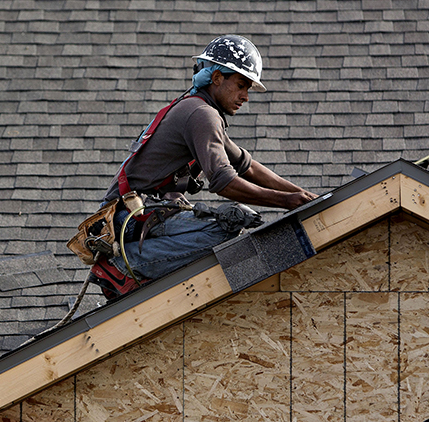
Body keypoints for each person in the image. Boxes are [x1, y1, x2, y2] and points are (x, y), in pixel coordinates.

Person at [89, 34, 318, 299]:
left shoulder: (199, 109)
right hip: (128, 219)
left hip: (138, 216)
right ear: (217, 78)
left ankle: (143, 265)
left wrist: (302, 196)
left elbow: (247, 167)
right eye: (241, 85)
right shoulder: (202, 115)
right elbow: (225, 183)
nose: (245, 96)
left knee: (225, 225)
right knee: (228, 225)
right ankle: (122, 268)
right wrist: (288, 201)